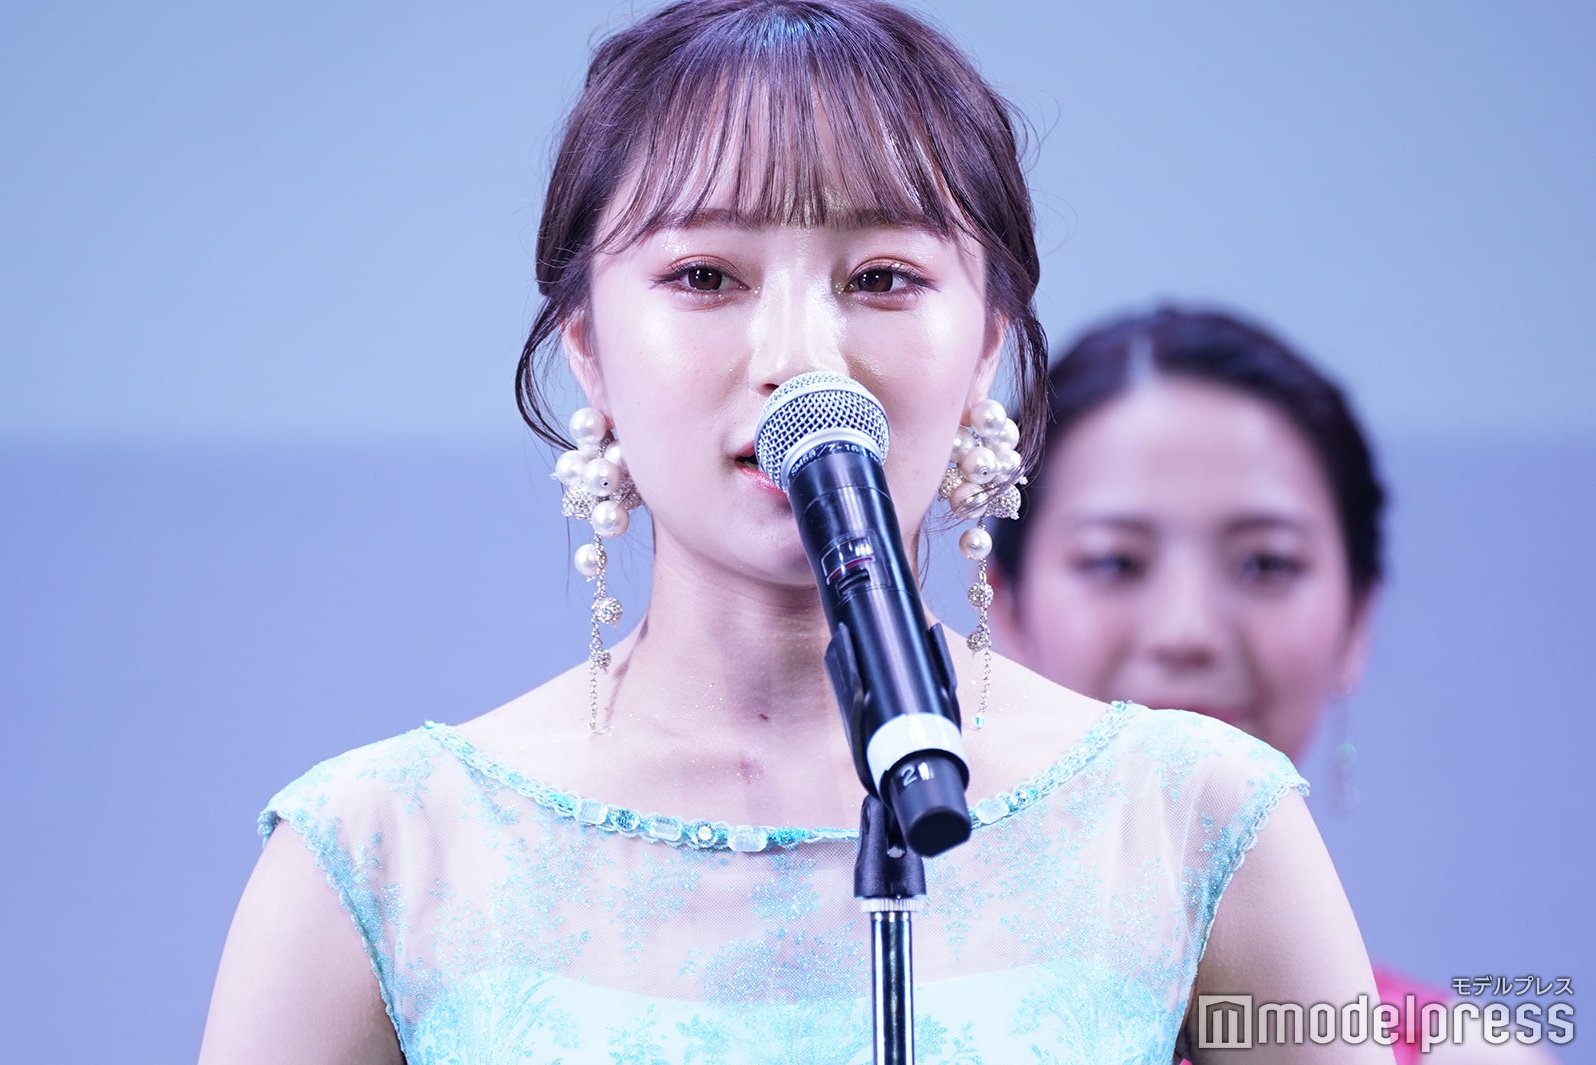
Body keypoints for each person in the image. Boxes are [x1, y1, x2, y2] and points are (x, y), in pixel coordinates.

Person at [198, 5, 1391, 1062]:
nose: (800, 359)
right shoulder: (381, 853)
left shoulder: (1194, 819)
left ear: (985, 344)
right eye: (705, 276)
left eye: (881, 278)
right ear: (589, 350)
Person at [988, 305, 1558, 1064]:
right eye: (1115, 562)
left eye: (1265, 564)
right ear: (1006, 606)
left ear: (1356, 618)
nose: (1187, 630)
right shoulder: (895, 1004)